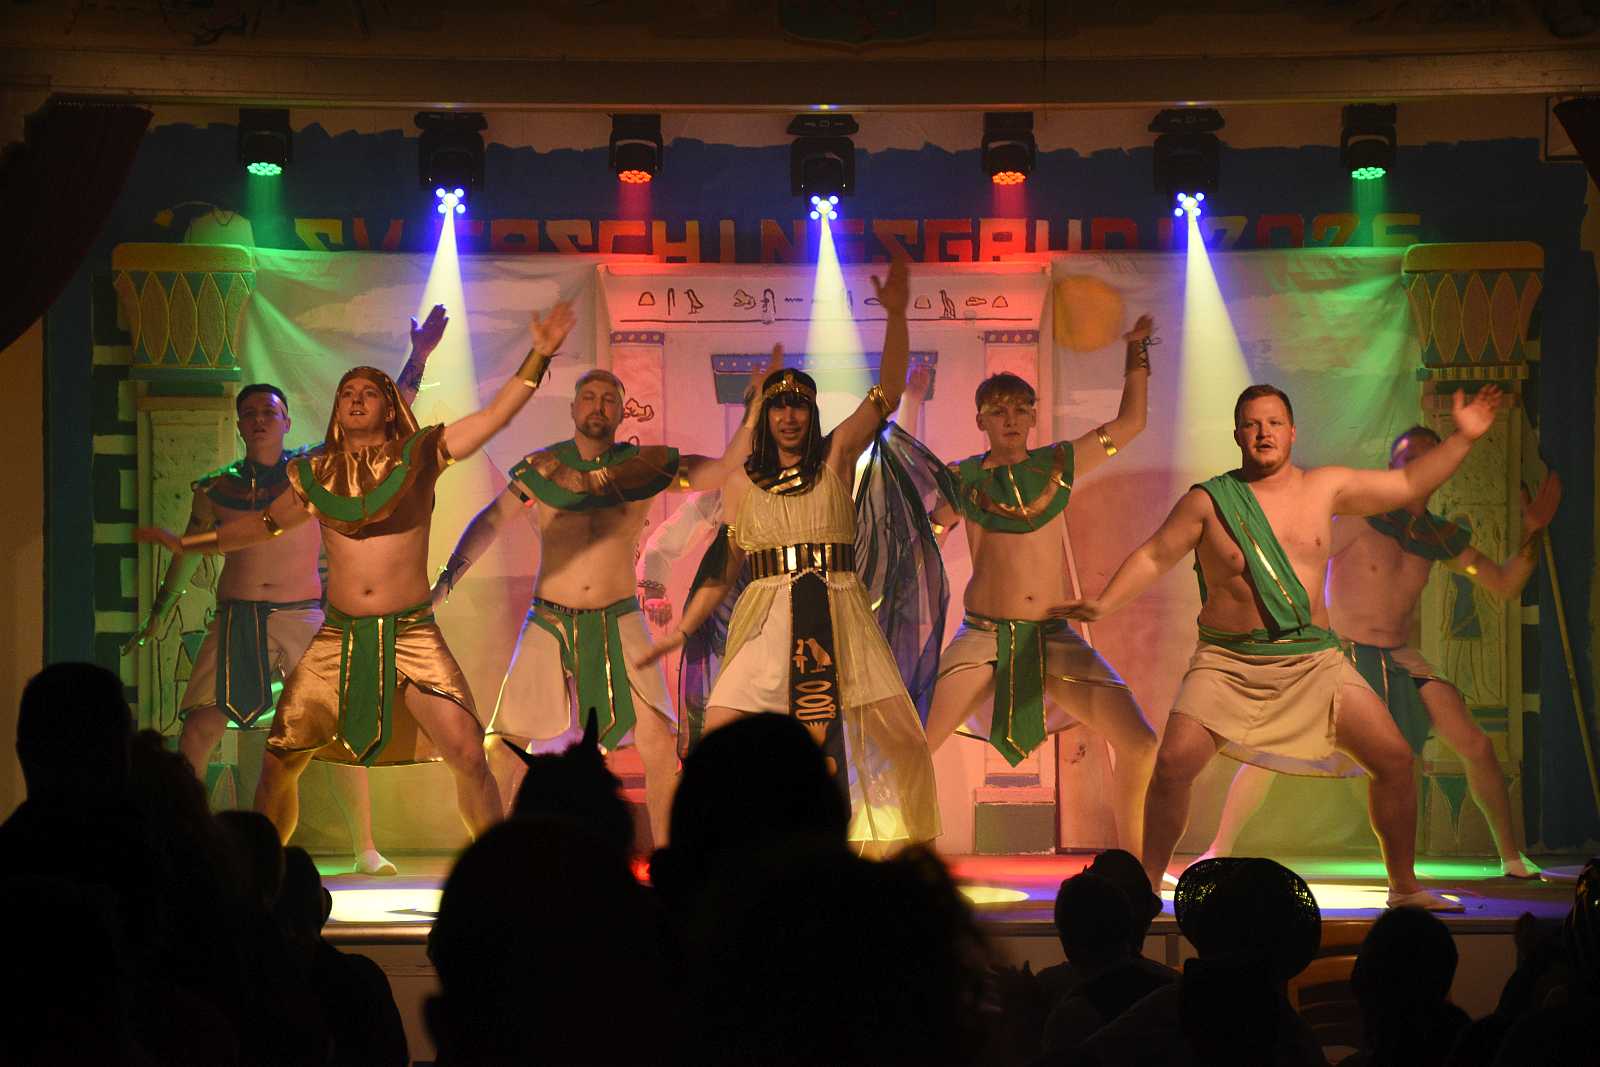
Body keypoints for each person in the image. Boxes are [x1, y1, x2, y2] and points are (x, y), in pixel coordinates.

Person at [137, 300, 578, 843]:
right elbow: (263, 525)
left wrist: (539, 356)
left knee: (467, 753)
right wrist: (188, 542)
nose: (355, 398)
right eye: (347, 392)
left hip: (412, 632)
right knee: (280, 760)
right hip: (337, 637)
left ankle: (494, 867)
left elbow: (491, 419)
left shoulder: (421, 454)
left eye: (368, 392)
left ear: (389, 407)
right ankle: (260, 873)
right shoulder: (315, 473)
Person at [1056, 383, 1503, 908]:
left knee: (1395, 760)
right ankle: (1148, 887)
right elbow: (1155, 554)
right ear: (1237, 435)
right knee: (1173, 766)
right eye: (1252, 424)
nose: (1263, 433)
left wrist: (1464, 438)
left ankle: (1403, 888)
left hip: (1313, 662)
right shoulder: (1209, 502)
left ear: (1292, 432)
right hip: (1227, 664)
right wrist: (1104, 603)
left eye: (1273, 423)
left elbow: (1408, 482)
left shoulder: (1325, 488)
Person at [124, 306, 450, 875]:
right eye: (249, 414)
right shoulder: (215, 488)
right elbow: (187, 554)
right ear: (239, 425)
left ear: (286, 419)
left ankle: (365, 846)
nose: (258, 420)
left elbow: (383, 425)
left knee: (340, 729)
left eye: (267, 412)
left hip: (302, 616)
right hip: (236, 617)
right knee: (199, 729)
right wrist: (158, 613)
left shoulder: (313, 469)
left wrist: (418, 357)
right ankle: (184, 839)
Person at [639, 256, 940, 853]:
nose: (789, 415)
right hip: (767, 615)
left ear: (812, 412)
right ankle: (716, 853)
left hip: (838, 610)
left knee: (901, 738)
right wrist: (684, 629)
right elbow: (724, 566)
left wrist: (897, 315)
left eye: (799, 404)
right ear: (764, 416)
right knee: (719, 734)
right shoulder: (740, 482)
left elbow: (885, 393)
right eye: (778, 406)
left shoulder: (836, 455)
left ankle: (913, 859)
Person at [431, 353, 773, 840]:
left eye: (609, 399)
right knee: (500, 749)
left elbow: (717, 472)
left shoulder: (642, 466)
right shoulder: (543, 468)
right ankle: (494, 857)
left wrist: (753, 411)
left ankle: (668, 860)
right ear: (574, 409)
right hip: (550, 619)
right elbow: (490, 520)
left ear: (621, 412)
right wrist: (447, 580)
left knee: (659, 747)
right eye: (589, 397)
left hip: (619, 616)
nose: (598, 406)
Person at [1196, 426, 1558, 879]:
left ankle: (1510, 857)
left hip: (1399, 659)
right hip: (1339, 654)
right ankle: (1218, 849)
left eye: (1427, 458)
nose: (1417, 466)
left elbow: (1503, 583)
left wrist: (1532, 532)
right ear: (1392, 469)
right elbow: (1295, 564)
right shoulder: (1359, 520)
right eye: (1407, 459)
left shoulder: (1435, 537)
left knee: (1476, 744)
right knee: (1269, 751)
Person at [920, 317, 1158, 853]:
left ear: (1033, 414)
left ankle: (1138, 869)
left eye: (1020, 408)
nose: (1010, 418)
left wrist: (1137, 349)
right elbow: (929, 536)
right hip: (982, 638)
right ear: (980, 418)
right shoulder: (962, 477)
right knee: (913, 745)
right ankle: (886, 866)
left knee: (1141, 744)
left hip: (1052, 637)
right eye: (998, 410)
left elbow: (1131, 422)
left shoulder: (1059, 464)